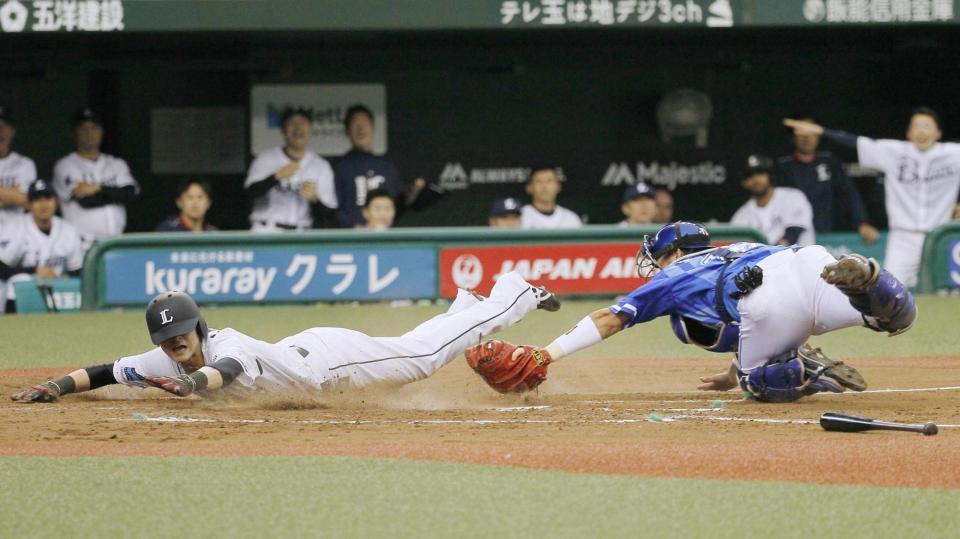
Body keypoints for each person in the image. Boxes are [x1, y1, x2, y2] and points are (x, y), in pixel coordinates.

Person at [464, 221, 916, 403]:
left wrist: (547, 355)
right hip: (806, 261)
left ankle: (806, 369)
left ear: (673, 251)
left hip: (769, 305)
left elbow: (610, 318)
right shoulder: (737, 245)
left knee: (756, 384)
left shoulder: (671, 275)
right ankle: (871, 282)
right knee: (895, 318)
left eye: (658, 254)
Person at [10, 271, 561, 402]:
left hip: (331, 360)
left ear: (197, 327)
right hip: (307, 359)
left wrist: (192, 384)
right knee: (420, 344)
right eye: (168, 338)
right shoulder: (161, 358)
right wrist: (56, 387)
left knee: (425, 357)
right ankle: (466, 305)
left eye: (181, 332)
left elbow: (221, 374)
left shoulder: (226, 348)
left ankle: (514, 293)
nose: (176, 342)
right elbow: (108, 370)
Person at [785, 108, 960, 288]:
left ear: (938, 133)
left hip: (940, 238)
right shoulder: (894, 152)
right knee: (889, 290)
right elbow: (856, 143)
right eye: (917, 126)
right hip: (903, 238)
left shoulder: (953, 154)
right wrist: (820, 131)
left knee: (947, 291)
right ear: (908, 132)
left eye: (927, 126)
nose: (922, 131)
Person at [776, 114, 879, 244]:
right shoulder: (783, 166)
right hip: (793, 237)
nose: (806, 137)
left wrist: (862, 223)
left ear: (818, 135)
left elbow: (848, 193)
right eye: (801, 132)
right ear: (792, 137)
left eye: (811, 131)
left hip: (827, 236)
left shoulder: (829, 162)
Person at [52, 107, 139, 250]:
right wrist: (116, 193)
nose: (89, 133)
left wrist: (98, 188)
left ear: (102, 132)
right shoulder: (65, 165)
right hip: (82, 244)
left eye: (94, 128)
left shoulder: (116, 164)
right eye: (84, 129)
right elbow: (86, 201)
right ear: (74, 133)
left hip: (116, 242)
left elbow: (131, 193)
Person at [334, 104, 428, 228]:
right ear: (347, 130)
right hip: (351, 240)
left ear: (373, 127)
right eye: (355, 124)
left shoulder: (386, 167)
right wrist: (353, 228)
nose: (361, 128)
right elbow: (335, 207)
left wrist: (413, 192)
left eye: (365, 123)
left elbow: (400, 204)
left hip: (383, 238)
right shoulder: (340, 167)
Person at [244, 107, 337, 232]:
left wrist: (315, 199)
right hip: (267, 230)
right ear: (283, 130)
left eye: (303, 123)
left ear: (310, 129)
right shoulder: (265, 159)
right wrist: (276, 177)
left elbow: (331, 213)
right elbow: (248, 195)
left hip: (301, 232)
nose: (298, 128)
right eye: (292, 124)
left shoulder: (320, 166)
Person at [0, 180, 84, 313]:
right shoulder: (15, 228)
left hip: (58, 288)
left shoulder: (69, 231)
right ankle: (12, 322)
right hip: (24, 290)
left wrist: (65, 280)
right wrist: (33, 270)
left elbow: (77, 271)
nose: (43, 205)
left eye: (48, 199)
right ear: (29, 205)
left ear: (56, 202)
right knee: (18, 280)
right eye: (37, 200)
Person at [730, 155, 815, 246]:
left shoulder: (793, 197)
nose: (756, 180)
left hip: (801, 258)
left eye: (760, 173)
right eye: (749, 176)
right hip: (765, 259)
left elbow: (793, 234)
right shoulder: (740, 216)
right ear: (744, 183)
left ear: (769, 176)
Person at [0, 106, 37, 231]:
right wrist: (11, 193)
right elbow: (17, 197)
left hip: (16, 236)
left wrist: (16, 197)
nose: (0, 130)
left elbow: (27, 200)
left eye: (5, 126)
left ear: (12, 131)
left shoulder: (25, 164)